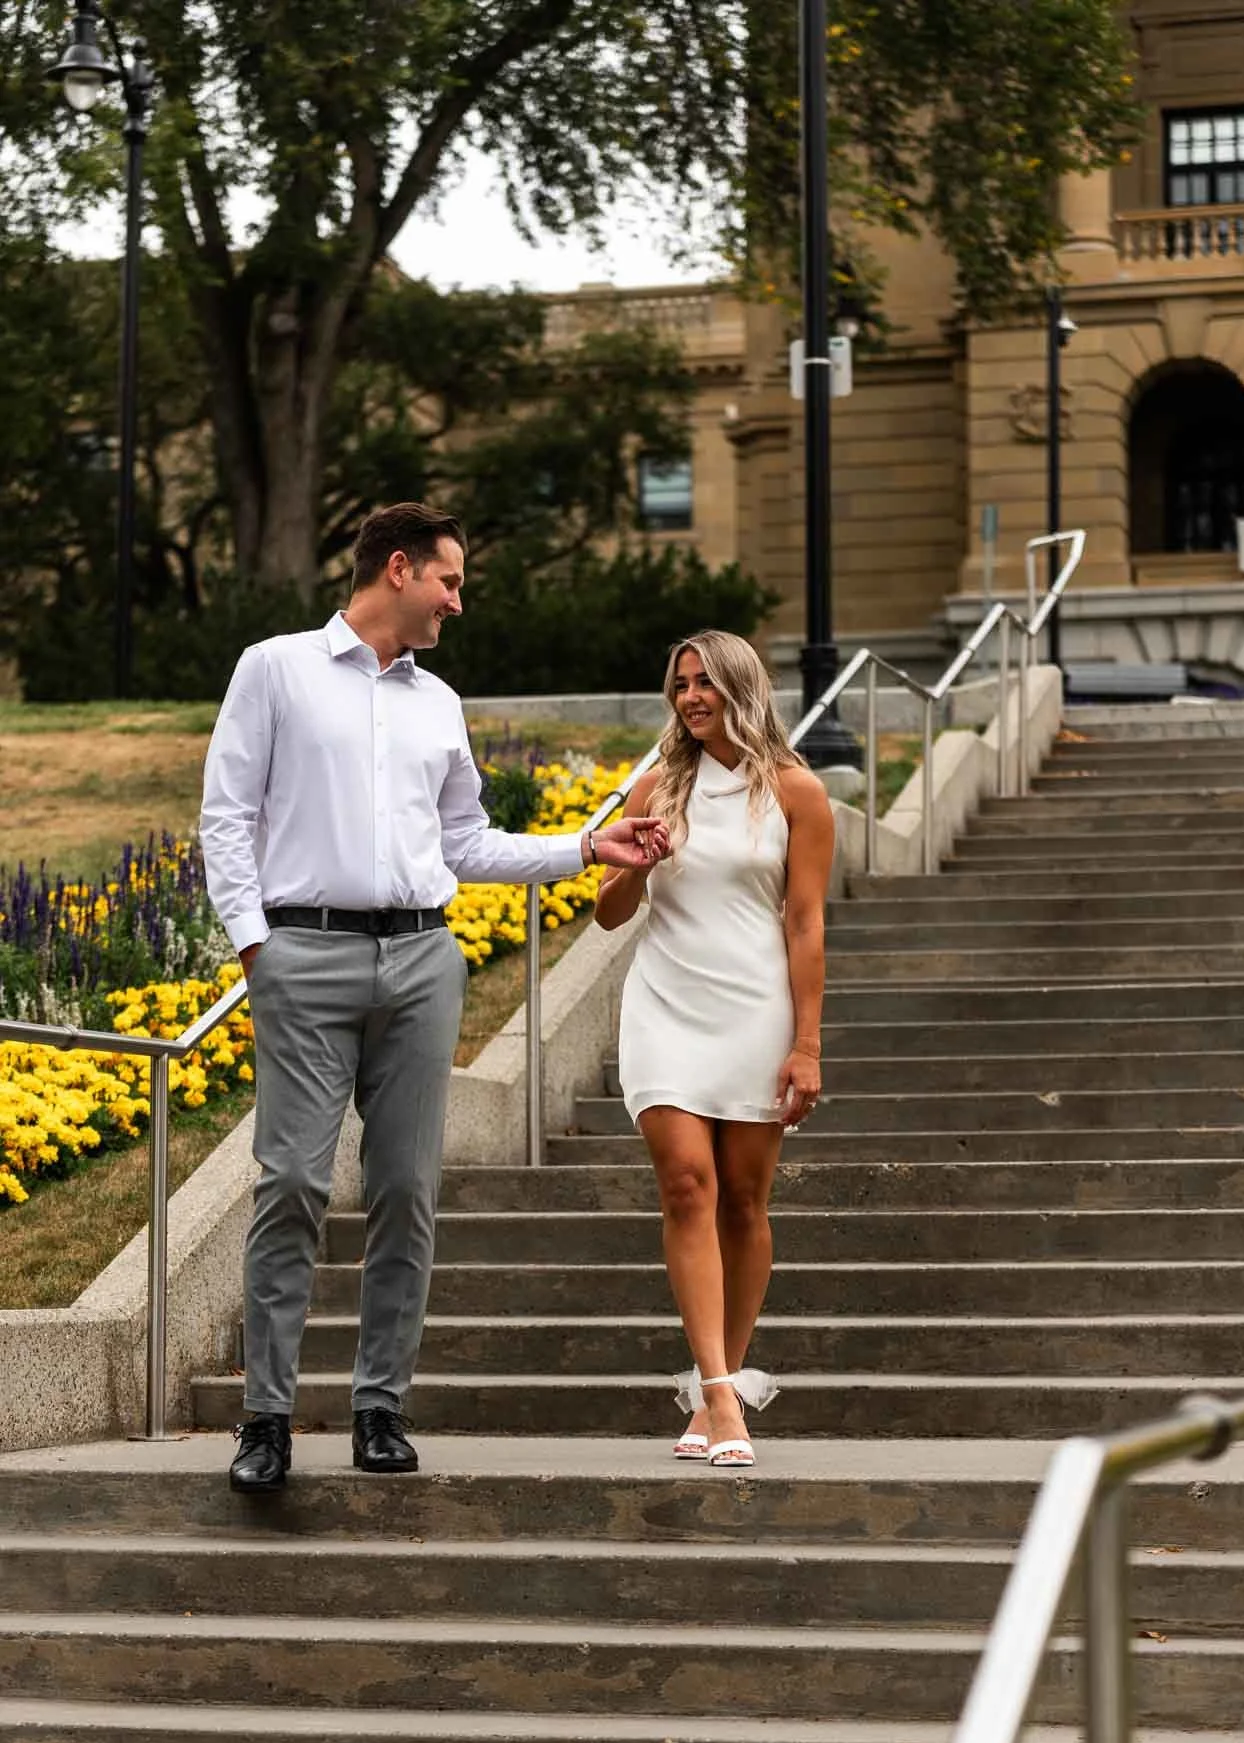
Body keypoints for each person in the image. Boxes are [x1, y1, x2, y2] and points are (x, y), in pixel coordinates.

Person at [200, 502, 669, 1493]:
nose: (458, 602)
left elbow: (465, 842)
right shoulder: (274, 669)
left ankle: (379, 1408)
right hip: (305, 955)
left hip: (420, 962)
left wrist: (588, 846)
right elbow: (227, 814)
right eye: (450, 582)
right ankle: (267, 1420)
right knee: (289, 1183)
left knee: (406, 1191)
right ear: (400, 569)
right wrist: (256, 947)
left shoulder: (437, 702)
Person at [594, 631, 834, 1468]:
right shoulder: (654, 786)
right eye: (679, 683)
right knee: (686, 1184)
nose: (690, 696)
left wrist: (805, 1045)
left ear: (741, 687)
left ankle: (717, 1383)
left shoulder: (798, 793)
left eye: (704, 683)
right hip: (664, 1003)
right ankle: (720, 1395)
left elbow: (803, 924)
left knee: (741, 1199)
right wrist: (636, 857)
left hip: (755, 1010)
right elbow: (609, 912)